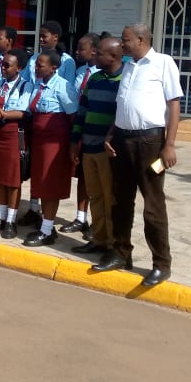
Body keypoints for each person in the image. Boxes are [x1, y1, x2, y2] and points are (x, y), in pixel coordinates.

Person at [96, 23, 183, 288]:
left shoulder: (163, 63)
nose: (122, 45)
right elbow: (124, 105)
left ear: (142, 39)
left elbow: (174, 104)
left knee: (153, 205)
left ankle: (161, 264)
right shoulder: (129, 66)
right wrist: (111, 134)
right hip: (122, 140)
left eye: (126, 40)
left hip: (150, 143)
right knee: (120, 201)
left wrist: (169, 144)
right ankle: (122, 253)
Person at [69, 37, 124, 262]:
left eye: (99, 53)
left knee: (111, 197)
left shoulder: (124, 81)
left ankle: (113, 243)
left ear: (112, 56)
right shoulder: (94, 79)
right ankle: (99, 239)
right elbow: (82, 110)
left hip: (107, 150)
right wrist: (75, 140)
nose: (95, 56)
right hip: (88, 146)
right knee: (96, 196)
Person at [22, 50, 78, 246]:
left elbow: (73, 118)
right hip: (38, 141)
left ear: (54, 68)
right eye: (36, 65)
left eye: (41, 65)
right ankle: (45, 224)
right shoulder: (36, 85)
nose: (37, 68)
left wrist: (73, 145)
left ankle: (47, 231)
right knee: (40, 183)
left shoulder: (63, 87)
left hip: (55, 142)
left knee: (50, 185)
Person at [0, 49, 30, 239]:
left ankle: (11, 220)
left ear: (20, 68)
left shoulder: (26, 86)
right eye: (2, 64)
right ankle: (0, 218)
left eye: (8, 65)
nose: (3, 68)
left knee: (12, 179)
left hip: (12, 134)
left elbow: (23, 111)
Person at [59, 32, 101, 237]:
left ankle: (96, 222)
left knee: (97, 178)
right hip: (79, 126)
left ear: (94, 50)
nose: (77, 51)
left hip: (96, 130)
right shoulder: (80, 70)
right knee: (83, 176)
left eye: (81, 48)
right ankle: (80, 217)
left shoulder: (100, 73)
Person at [29, 20, 76, 86]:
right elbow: (26, 80)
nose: (40, 39)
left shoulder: (66, 60)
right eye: (40, 36)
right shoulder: (33, 58)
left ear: (55, 37)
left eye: (44, 36)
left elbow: (69, 85)